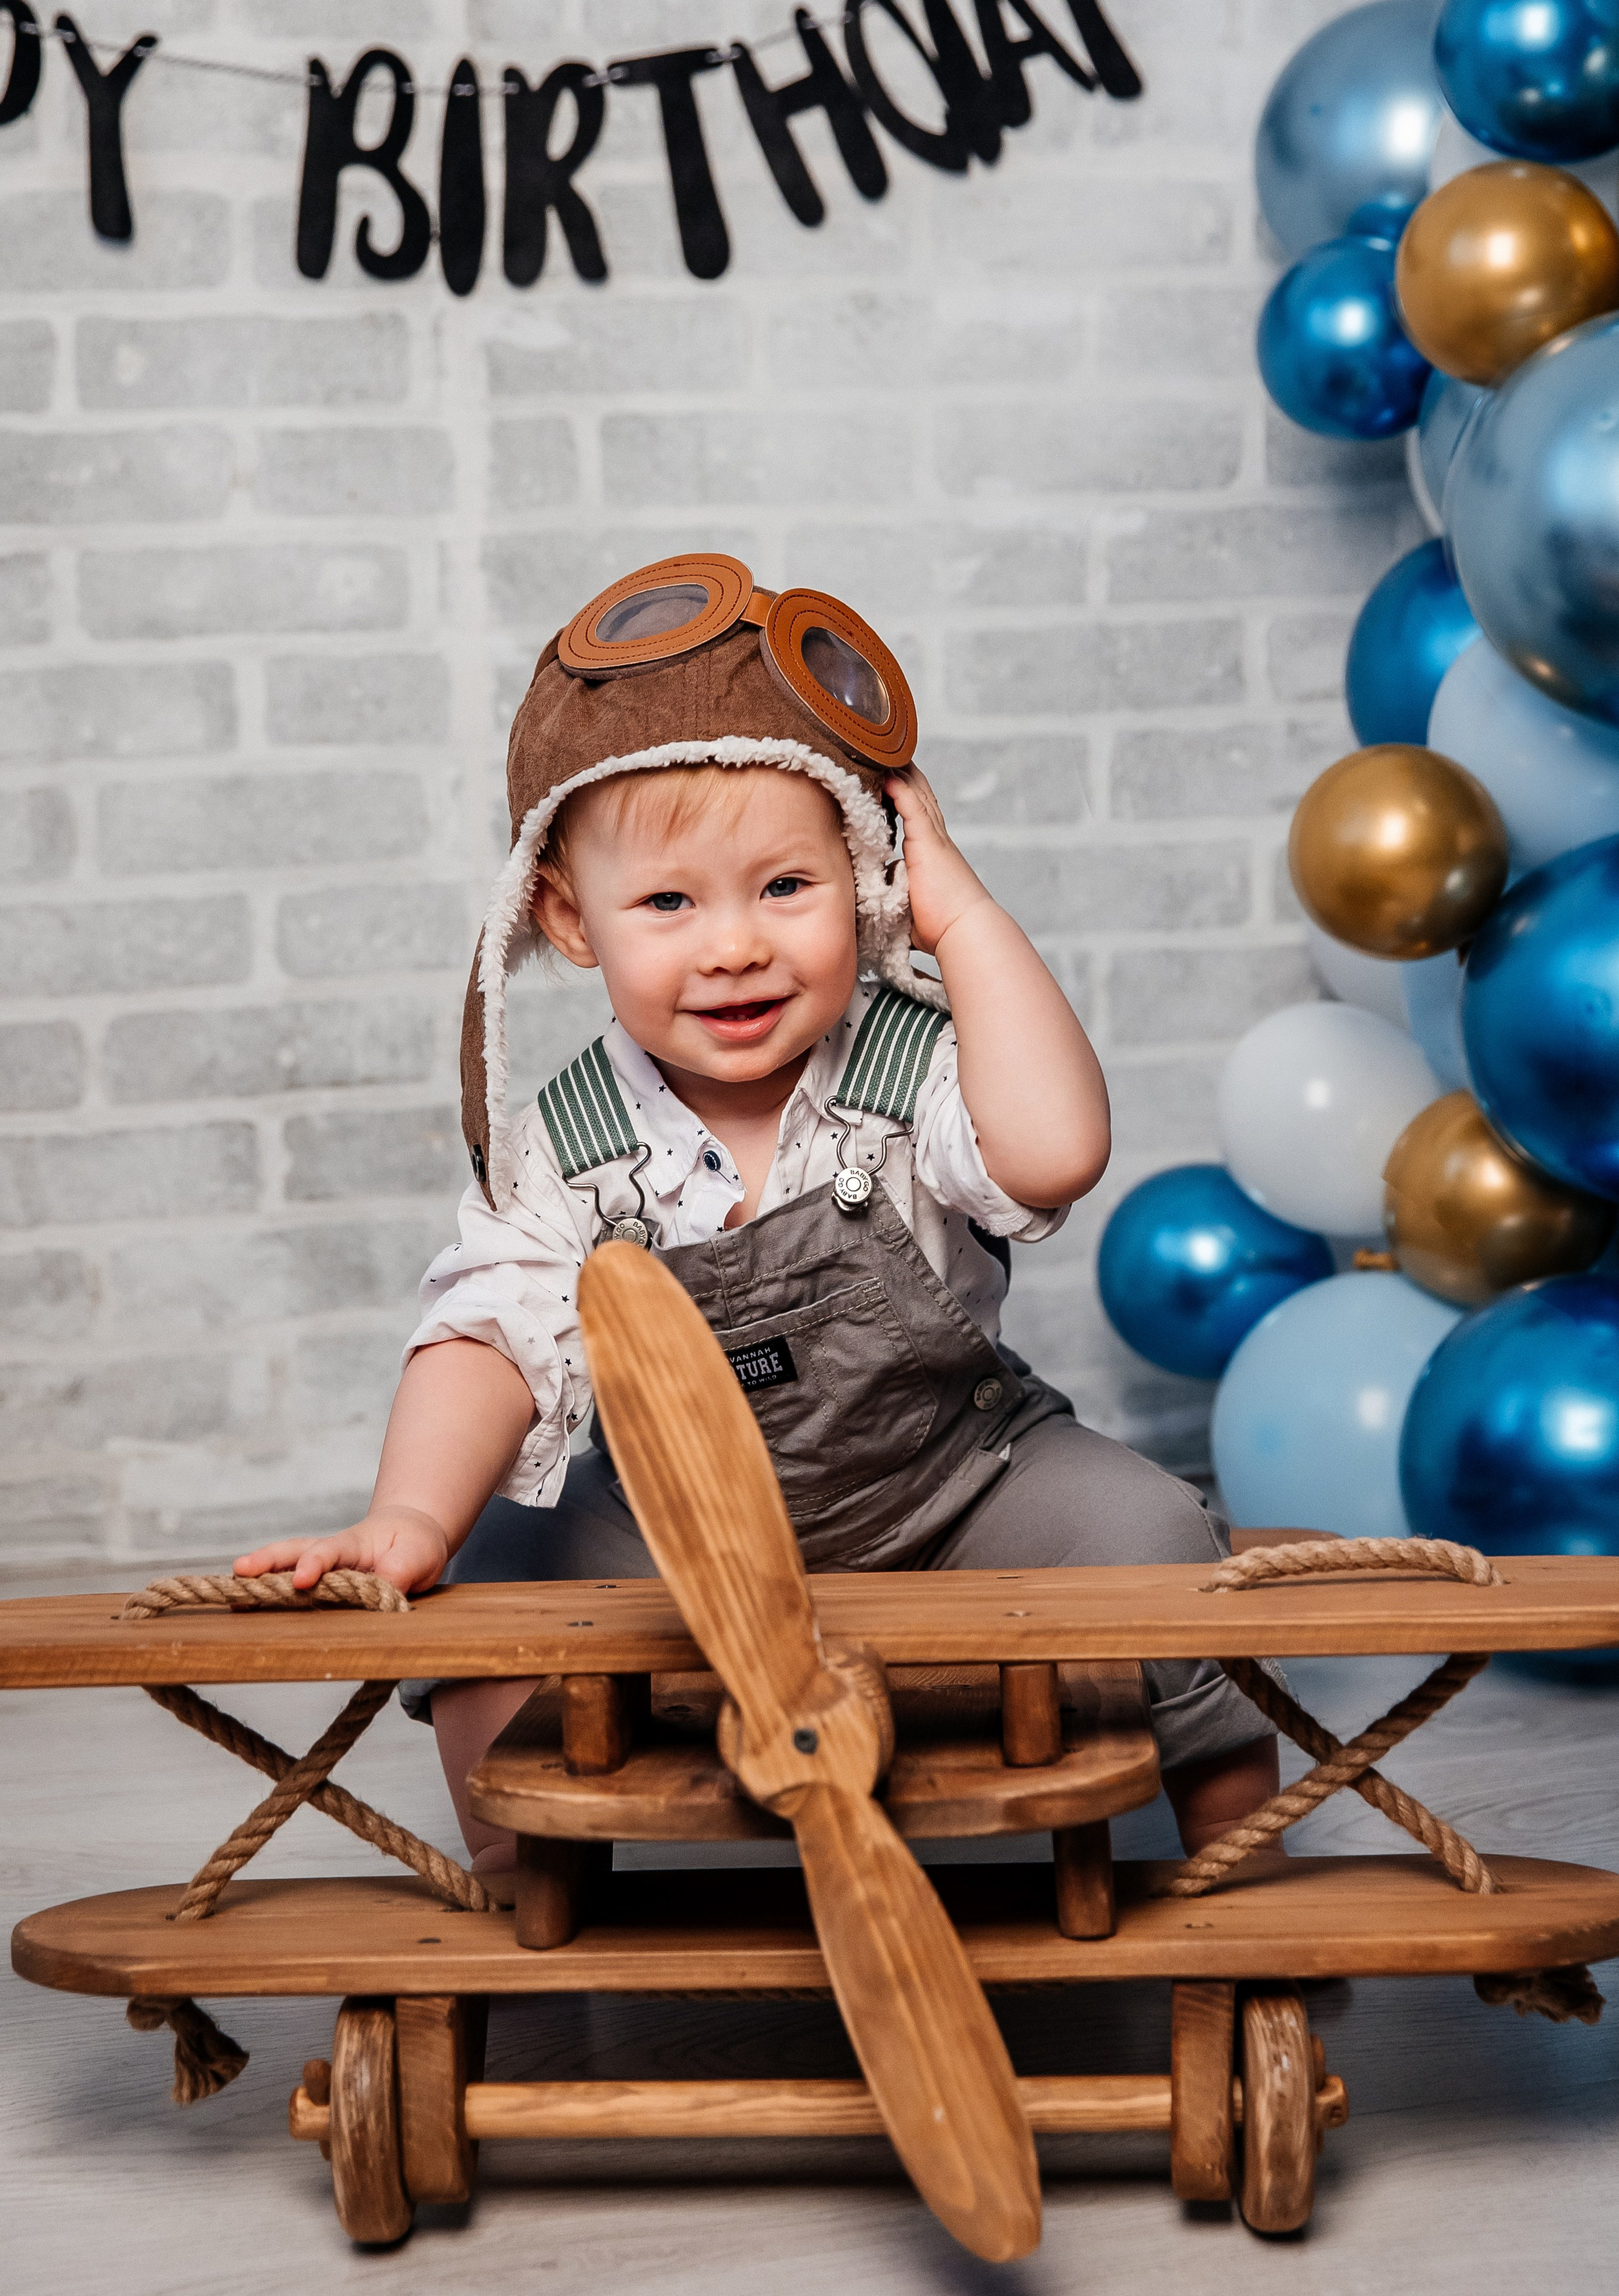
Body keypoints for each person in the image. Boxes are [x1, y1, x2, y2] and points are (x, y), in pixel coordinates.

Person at [236, 556, 1279, 1881]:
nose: (732, 946)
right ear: (567, 918)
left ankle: (1238, 1865)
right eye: (667, 904)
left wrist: (959, 918)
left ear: (864, 881)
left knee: (1151, 1536)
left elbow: (1055, 1152)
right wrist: (410, 1519)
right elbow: (490, 1332)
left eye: (786, 888)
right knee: (493, 1581)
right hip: (676, 1530)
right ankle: (521, 1885)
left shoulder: (913, 1069)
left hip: (954, 1491)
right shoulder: (565, 1144)